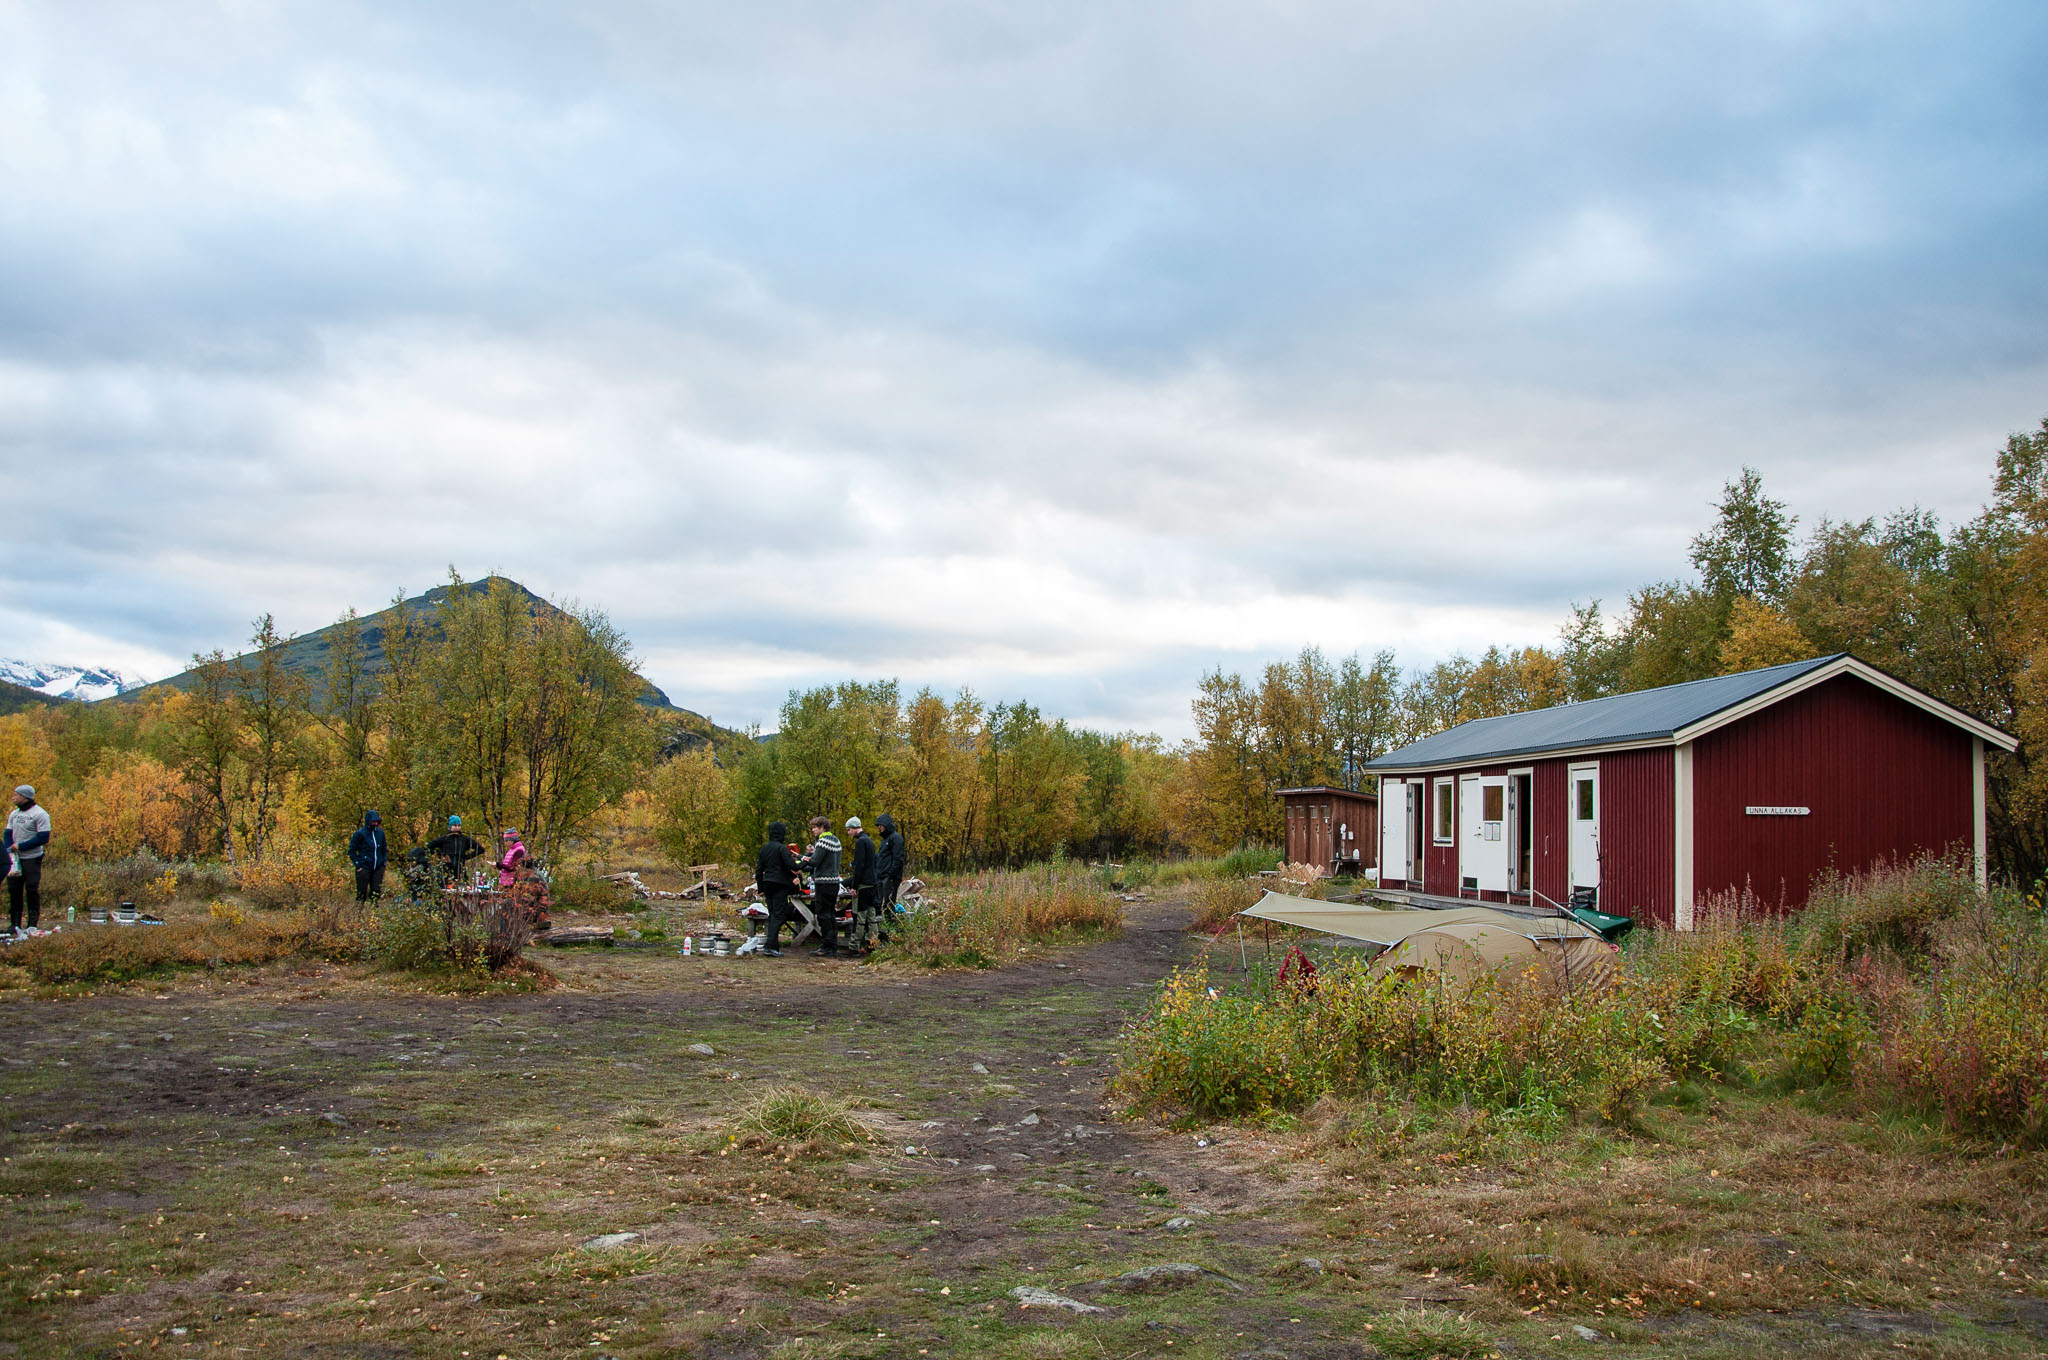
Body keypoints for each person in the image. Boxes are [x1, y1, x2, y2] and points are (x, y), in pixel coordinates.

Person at [6, 785, 52, 937]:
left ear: (25, 797)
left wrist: (20, 846)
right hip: (16, 859)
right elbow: (8, 833)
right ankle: (14, 924)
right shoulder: (14, 814)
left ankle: (32, 924)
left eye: (16, 795)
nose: (13, 797)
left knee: (31, 889)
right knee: (14, 891)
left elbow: (43, 837)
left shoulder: (40, 814)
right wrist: (9, 849)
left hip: (32, 858)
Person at [750, 821, 801, 957]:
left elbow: (759, 870)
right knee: (779, 915)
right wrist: (804, 861)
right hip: (780, 885)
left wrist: (761, 887)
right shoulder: (781, 848)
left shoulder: (764, 848)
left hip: (768, 884)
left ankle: (773, 945)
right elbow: (792, 865)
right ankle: (770, 946)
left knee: (773, 914)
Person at [801, 816, 845, 957]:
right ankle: (833, 945)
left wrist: (805, 856)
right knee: (831, 914)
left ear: (822, 828)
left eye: (815, 827)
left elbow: (814, 862)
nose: (813, 830)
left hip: (823, 882)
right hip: (834, 882)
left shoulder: (822, 841)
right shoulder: (835, 840)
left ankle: (826, 946)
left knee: (823, 914)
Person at [845, 816, 879, 953]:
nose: (848, 833)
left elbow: (859, 866)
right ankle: (873, 944)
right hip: (872, 883)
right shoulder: (869, 841)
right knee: (871, 917)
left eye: (848, 830)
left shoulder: (860, 842)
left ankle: (854, 946)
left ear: (854, 828)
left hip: (863, 884)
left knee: (858, 916)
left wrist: (854, 886)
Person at [875, 813, 907, 940]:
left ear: (886, 825)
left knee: (888, 904)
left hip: (891, 878)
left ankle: (889, 932)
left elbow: (898, 859)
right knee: (881, 903)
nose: (879, 828)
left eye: (881, 825)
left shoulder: (896, 839)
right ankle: (883, 931)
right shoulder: (885, 840)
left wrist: (890, 875)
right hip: (882, 877)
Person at [428, 815, 484, 885]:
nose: (457, 827)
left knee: (464, 889)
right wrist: (441, 854)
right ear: (450, 826)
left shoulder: (464, 839)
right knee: (444, 889)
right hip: (446, 870)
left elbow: (480, 849)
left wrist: (466, 857)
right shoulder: (444, 839)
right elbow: (428, 847)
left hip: (460, 870)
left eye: (459, 825)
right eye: (455, 825)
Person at [348, 810, 388, 902]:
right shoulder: (360, 834)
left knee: (376, 892)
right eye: (373, 821)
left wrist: (383, 863)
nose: (375, 823)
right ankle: (358, 913)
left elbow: (384, 848)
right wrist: (358, 865)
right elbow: (351, 851)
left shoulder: (380, 833)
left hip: (378, 867)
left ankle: (374, 913)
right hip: (364, 867)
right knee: (361, 893)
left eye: (377, 821)